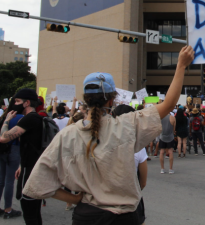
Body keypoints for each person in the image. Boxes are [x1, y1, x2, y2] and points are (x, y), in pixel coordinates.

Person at [19, 45, 194, 224]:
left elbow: (35, 184)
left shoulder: (67, 135)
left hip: (86, 216)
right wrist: (180, 66)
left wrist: (74, 199)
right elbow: (169, 104)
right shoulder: (127, 124)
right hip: (124, 218)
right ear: (112, 100)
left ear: (85, 99)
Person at [0, 89, 44, 224]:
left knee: (30, 211)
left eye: (18, 101)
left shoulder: (31, 118)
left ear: (27, 102)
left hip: (31, 171)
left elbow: (3, 138)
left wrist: (7, 120)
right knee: (33, 211)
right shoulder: (34, 118)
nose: (15, 104)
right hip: (30, 166)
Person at [112, 105, 148, 225]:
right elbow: (143, 182)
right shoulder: (137, 146)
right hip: (131, 198)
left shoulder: (101, 141)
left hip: (105, 200)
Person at [0, 99, 23, 219]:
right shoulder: (22, 118)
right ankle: (8, 210)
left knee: (1, 180)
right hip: (14, 149)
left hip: (2, 149)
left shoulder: (5, 116)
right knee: (9, 181)